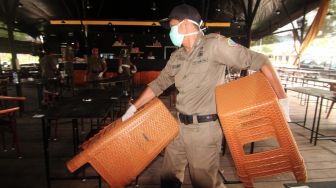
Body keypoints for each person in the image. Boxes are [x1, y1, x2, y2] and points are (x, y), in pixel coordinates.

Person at [121, 4, 289, 188]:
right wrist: (134, 107)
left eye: (172, 25)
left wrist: (282, 100)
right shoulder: (177, 57)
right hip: (179, 127)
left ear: (185, 24)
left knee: (204, 182)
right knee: (168, 177)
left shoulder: (214, 45)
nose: (170, 31)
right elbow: (158, 84)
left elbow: (261, 61)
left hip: (204, 130)